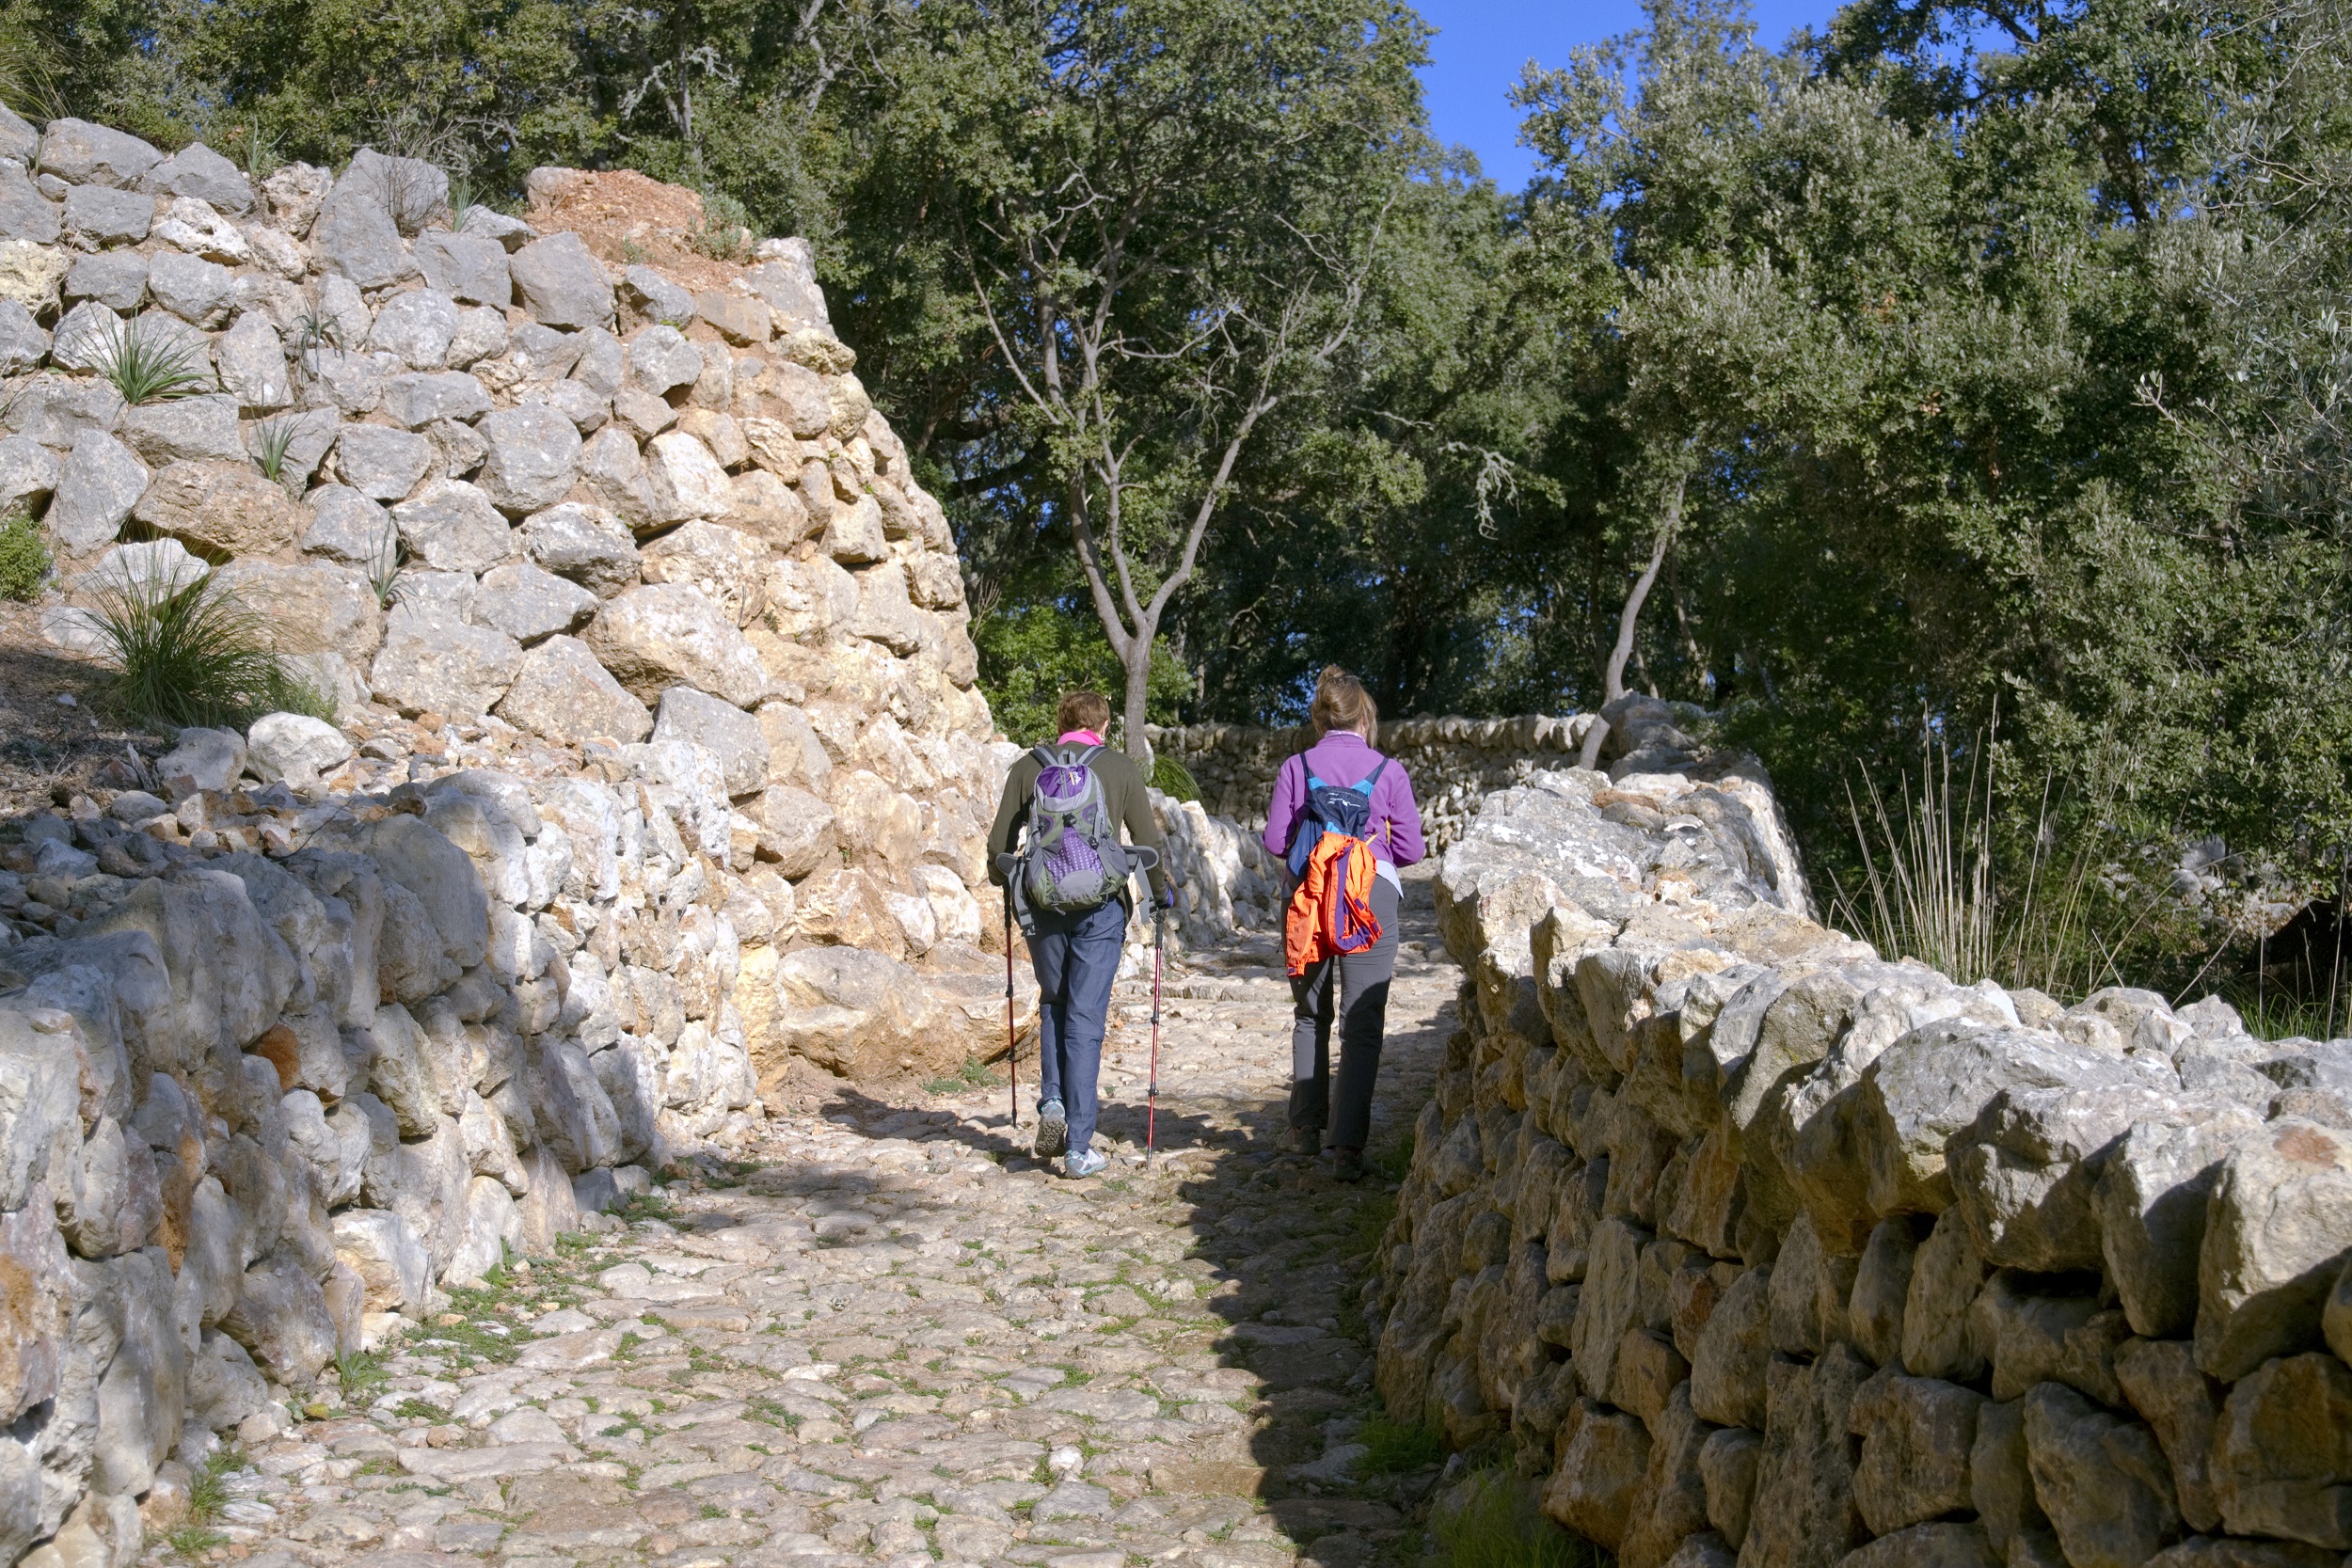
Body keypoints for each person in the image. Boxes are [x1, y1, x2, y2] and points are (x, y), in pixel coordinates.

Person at [987, 690, 1173, 1178]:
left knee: (1054, 1001)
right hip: (1102, 907)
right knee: (1086, 1017)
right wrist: (1161, 893)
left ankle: (1052, 1102)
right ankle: (1078, 1148)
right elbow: (1146, 841)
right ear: (1105, 726)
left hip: (1043, 905)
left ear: (1060, 723)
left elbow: (997, 848)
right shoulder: (1119, 768)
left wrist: (1005, 877)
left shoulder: (1029, 767)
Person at [1263, 666, 1425, 1181]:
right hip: (1369, 893)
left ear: (1321, 715)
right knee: (1362, 1026)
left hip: (1309, 896)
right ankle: (1347, 1150)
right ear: (1364, 715)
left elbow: (1272, 841)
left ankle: (1303, 1132)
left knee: (1311, 1017)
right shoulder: (1388, 771)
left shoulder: (1296, 765)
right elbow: (1412, 850)